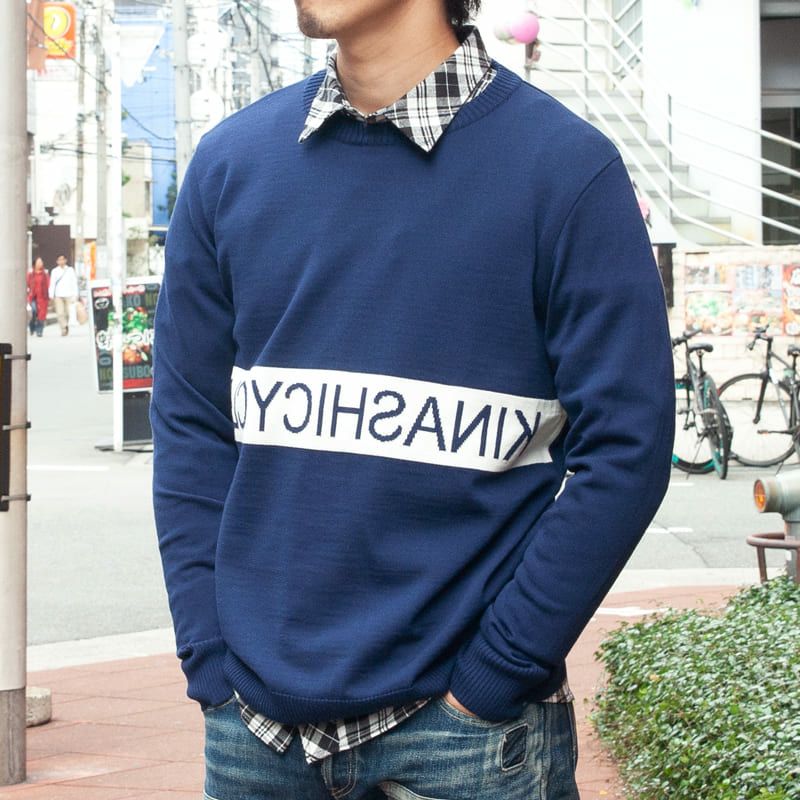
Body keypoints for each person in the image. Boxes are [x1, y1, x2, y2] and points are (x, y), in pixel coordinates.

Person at [150, 0, 675, 797]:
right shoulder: (231, 163)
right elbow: (191, 427)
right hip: (254, 732)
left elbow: (628, 448)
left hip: (466, 740)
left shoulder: (564, 168)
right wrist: (210, 658)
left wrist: (498, 673)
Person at [48, 254, 78, 336]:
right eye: (59, 260)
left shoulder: (70, 270)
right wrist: (51, 295)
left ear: (65, 260)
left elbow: (74, 282)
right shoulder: (54, 271)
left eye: (62, 259)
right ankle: (63, 328)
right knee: (60, 313)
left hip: (68, 294)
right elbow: (52, 283)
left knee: (68, 313)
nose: (61, 261)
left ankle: (66, 325)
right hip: (58, 295)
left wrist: (75, 294)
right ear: (57, 261)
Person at [26, 257, 49, 337]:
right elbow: (27, 283)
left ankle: (39, 331)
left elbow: (48, 284)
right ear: (35, 264)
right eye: (38, 262)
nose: (40, 264)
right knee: (33, 311)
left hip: (43, 297)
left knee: (41, 315)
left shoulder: (45, 274)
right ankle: (32, 327)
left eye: (41, 262)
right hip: (32, 297)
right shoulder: (30, 274)